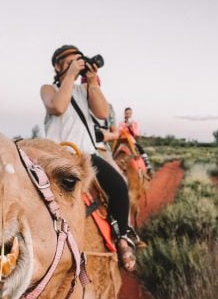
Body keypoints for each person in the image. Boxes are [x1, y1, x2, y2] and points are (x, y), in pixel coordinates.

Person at [41, 44, 137, 271]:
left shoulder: (84, 91)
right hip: (56, 156)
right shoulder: (48, 89)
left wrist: (92, 82)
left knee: (120, 187)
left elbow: (103, 113)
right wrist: (72, 74)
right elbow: (58, 106)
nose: (77, 64)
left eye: (79, 60)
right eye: (70, 61)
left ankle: (122, 239)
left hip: (86, 155)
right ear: (57, 66)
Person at [118, 107, 153, 175]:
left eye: (129, 113)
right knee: (113, 149)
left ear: (131, 114)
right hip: (122, 139)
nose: (128, 114)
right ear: (124, 114)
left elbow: (136, 133)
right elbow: (119, 130)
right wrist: (125, 126)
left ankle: (147, 164)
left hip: (130, 140)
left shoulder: (134, 123)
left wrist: (131, 127)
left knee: (139, 148)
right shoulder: (121, 123)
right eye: (127, 113)